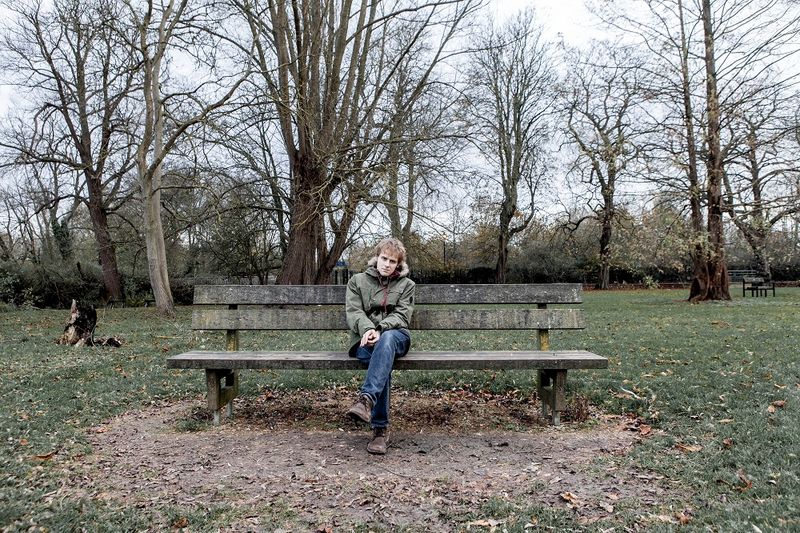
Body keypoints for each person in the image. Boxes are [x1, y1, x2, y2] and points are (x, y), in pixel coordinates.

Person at [345, 237, 415, 455]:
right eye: (384, 258)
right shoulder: (357, 281)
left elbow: (402, 315)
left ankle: (367, 401)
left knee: (386, 342)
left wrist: (381, 329)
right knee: (382, 362)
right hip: (365, 341)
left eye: (392, 261)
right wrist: (367, 330)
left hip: (396, 337)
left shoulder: (407, 285)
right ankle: (379, 430)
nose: (387, 264)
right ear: (376, 258)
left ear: (399, 265)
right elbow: (354, 312)